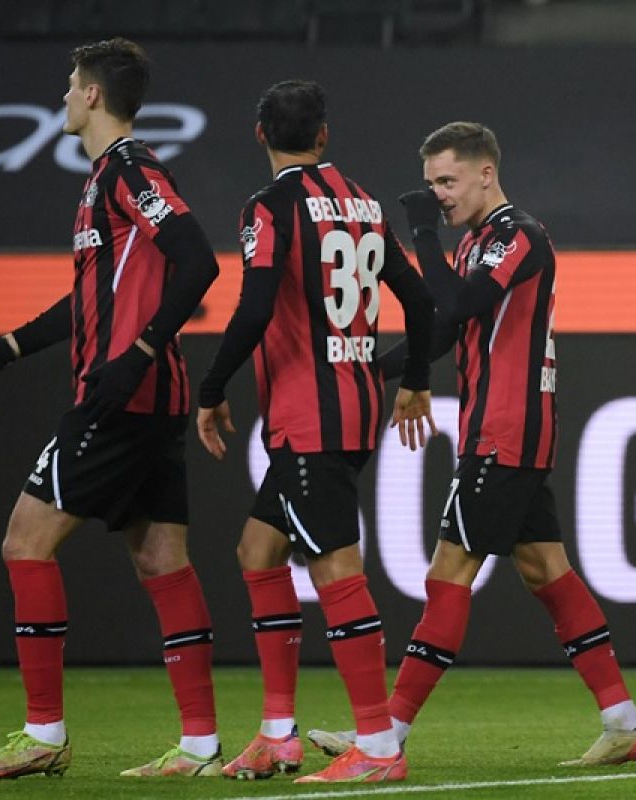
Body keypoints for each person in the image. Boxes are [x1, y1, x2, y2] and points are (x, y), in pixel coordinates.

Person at [307, 121, 636, 767]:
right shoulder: (475, 245)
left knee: (449, 573)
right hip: (499, 431)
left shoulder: (518, 234)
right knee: (546, 570)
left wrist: (418, 235)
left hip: (505, 431)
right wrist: (361, 369)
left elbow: (461, 303)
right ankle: (623, 719)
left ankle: (387, 735)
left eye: (447, 180)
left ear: (485, 173)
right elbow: (440, 333)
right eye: (431, 182)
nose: (437, 193)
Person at [0, 38, 223, 779]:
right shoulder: (106, 179)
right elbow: (94, 298)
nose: (63, 95)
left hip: (120, 398)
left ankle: (43, 735)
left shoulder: (130, 169)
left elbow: (198, 258)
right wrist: (1, 349)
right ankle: (197, 745)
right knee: (163, 559)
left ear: (93, 95)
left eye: (70, 84)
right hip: (150, 399)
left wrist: (139, 353)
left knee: (23, 543)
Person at [195, 79, 436, 784]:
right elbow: (419, 300)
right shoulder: (363, 201)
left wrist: (211, 389)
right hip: (354, 407)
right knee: (258, 549)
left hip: (309, 419)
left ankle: (379, 749)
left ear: (260, 134)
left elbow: (257, 303)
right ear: (324, 136)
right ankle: (278, 734)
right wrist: (416, 379)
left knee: (335, 568)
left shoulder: (268, 207)